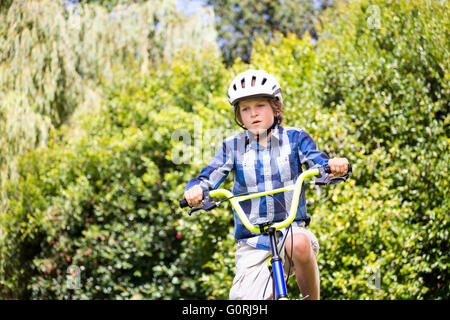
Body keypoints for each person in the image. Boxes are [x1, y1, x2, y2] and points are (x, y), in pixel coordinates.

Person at [183, 69, 349, 300]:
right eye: (245, 109)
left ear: (276, 108)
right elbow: (208, 177)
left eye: (260, 105)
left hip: (290, 230)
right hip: (251, 243)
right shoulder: (232, 147)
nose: (253, 114)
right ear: (239, 116)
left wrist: (333, 165)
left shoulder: (295, 138)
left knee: (299, 242)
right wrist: (196, 190)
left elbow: (318, 162)